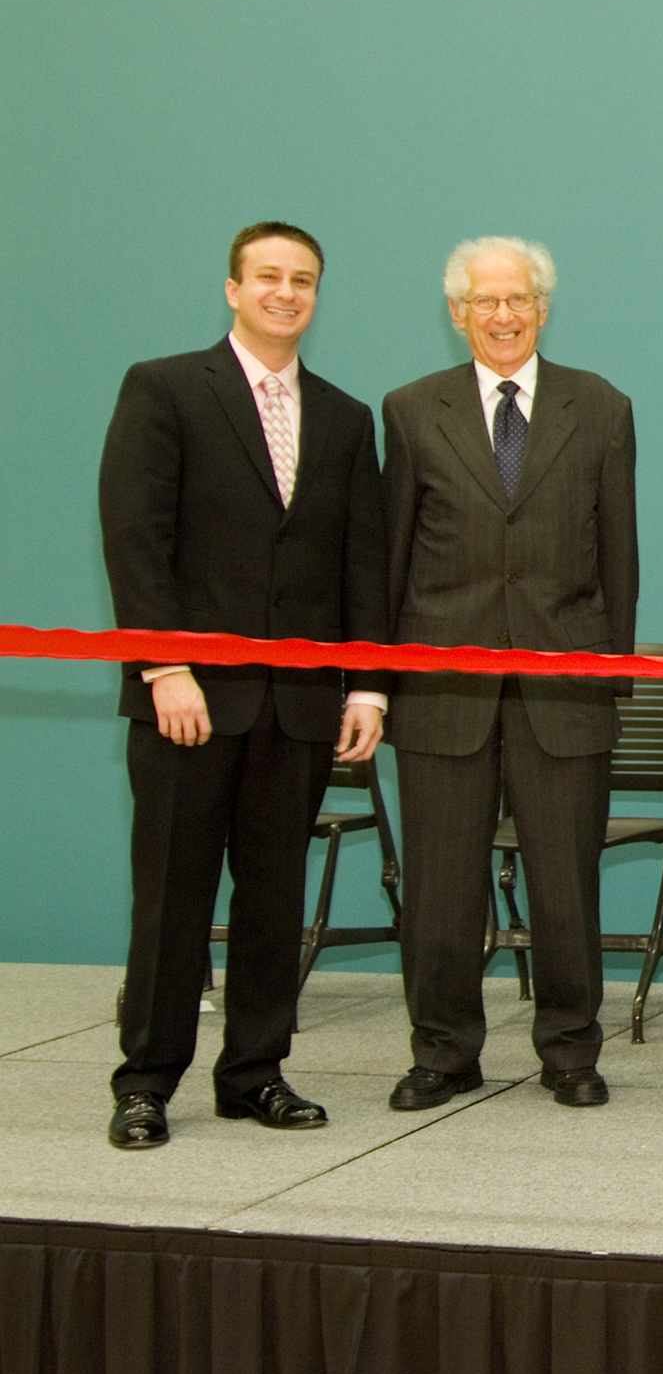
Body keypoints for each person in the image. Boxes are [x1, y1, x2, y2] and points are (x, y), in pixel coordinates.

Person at [97, 222, 389, 1149]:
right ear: (232, 288)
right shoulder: (165, 388)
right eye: (268, 277)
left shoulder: (344, 418)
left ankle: (254, 1073)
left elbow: (363, 564)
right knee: (174, 896)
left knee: (273, 899)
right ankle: (145, 1081)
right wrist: (164, 665)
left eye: (302, 280)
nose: (286, 293)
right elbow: (135, 538)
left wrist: (368, 687)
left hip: (299, 708)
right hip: (187, 700)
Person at [383, 237, 638, 1111]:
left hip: (564, 693)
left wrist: (611, 681)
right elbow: (388, 558)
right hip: (441, 692)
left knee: (567, 884)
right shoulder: (412, 411)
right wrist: (377, 682)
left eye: (518, 299)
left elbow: (620, 559)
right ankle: (443, 1052)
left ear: (542, 307)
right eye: (484, 302)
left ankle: (570, 1051)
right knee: (441, 890)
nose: (502, 315)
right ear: (458, 314)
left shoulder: (600, 407)